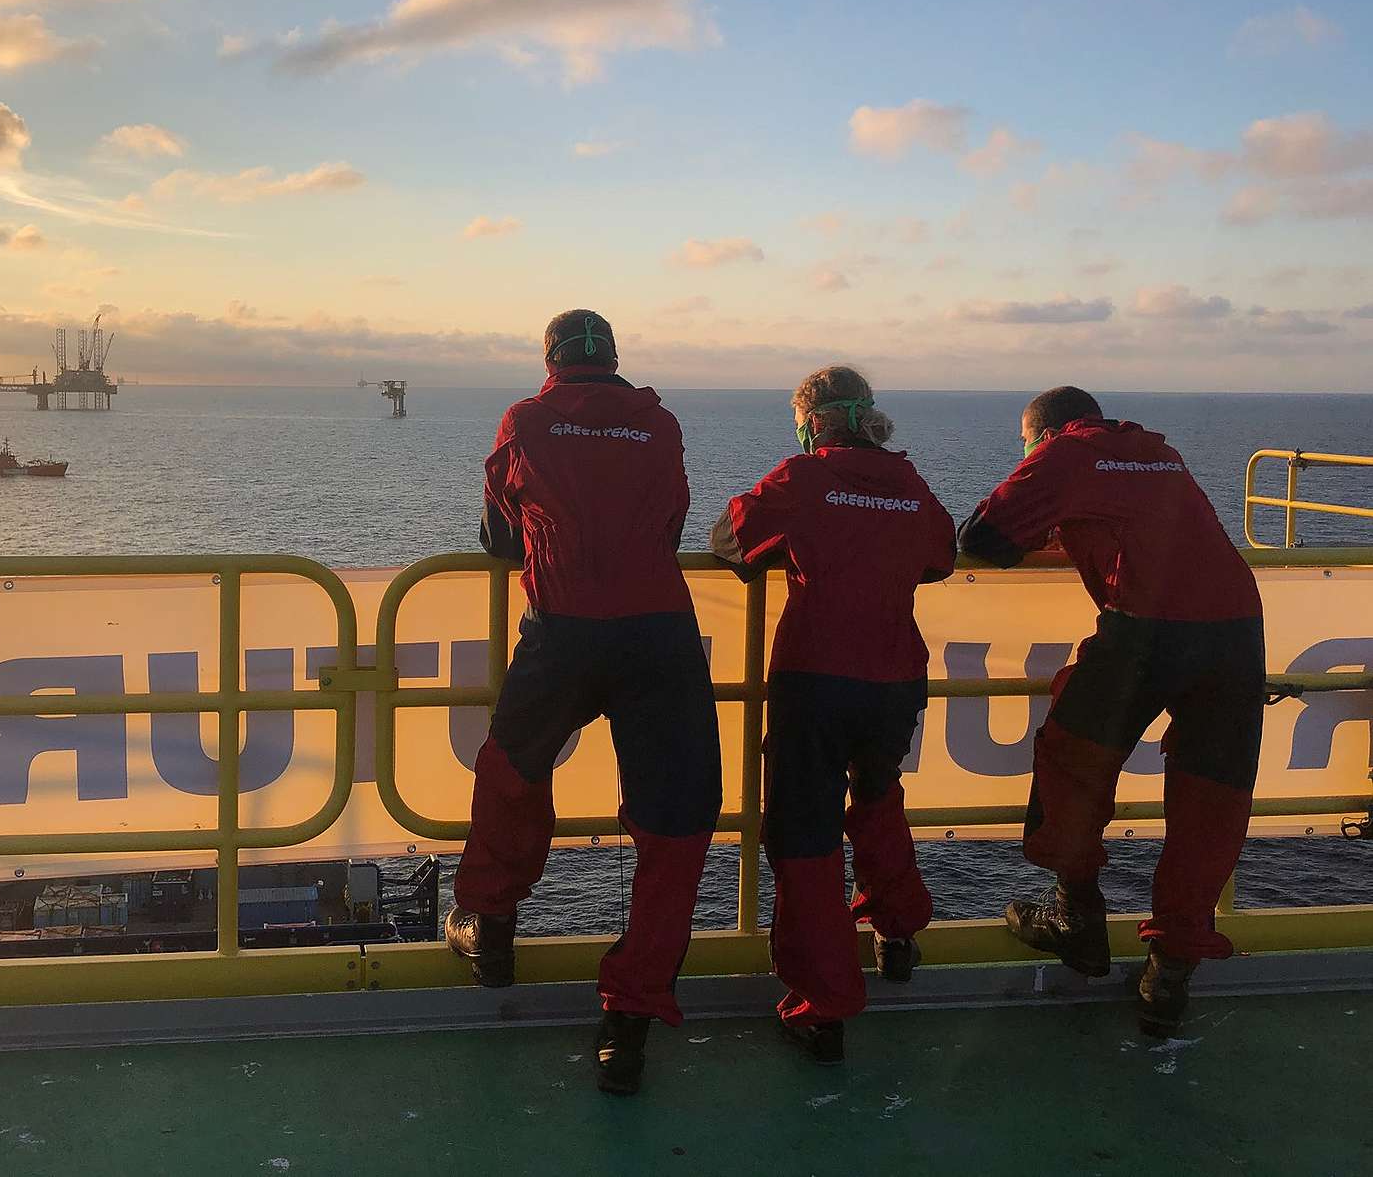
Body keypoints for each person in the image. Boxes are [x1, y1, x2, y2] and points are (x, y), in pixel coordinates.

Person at [445, 309, 721, 1096]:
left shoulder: (525, 420)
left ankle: (490, 930)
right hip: (659, 636)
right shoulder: (657, 423)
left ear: (551, 360)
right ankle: (628, 1022)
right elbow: (668, 526)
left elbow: (501, 538)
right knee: (674, 821)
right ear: (613, 360)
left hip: (562, 632)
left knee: (511, 767)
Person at [958, 387, 1264, 1038]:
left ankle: (1075, 915)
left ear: (1039, 433)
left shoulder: (1063, 453)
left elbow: (983, 537)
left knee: (1070, 754)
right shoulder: (1156, 450)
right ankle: (1168, 976)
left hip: (1146, 631)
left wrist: (1050, 523)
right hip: (1236, 630)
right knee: (1211, 797)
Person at [709, 366, 955, 1064]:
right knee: (877, 795)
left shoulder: (800, 479)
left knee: (804, 836)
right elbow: (940, 557)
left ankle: (823, 1005)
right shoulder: (907, 484)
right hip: (894, 678)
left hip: (815, 680)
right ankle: (897, 929)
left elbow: (730, 541)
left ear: (811, 422)